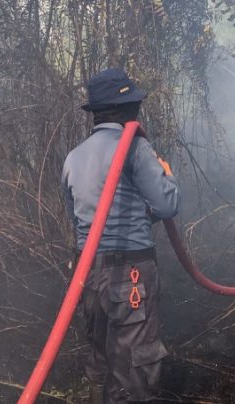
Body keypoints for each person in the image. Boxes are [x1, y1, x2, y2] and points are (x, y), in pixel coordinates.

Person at [61, 68, 179, 403]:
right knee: (137, 366)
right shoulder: (135, 148)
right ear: (129, 109)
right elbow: (167, 205)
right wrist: (167, 176)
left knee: (102, 358)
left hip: (88, 274)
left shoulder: (73, 157)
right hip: (132, 272)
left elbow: (80, 218)